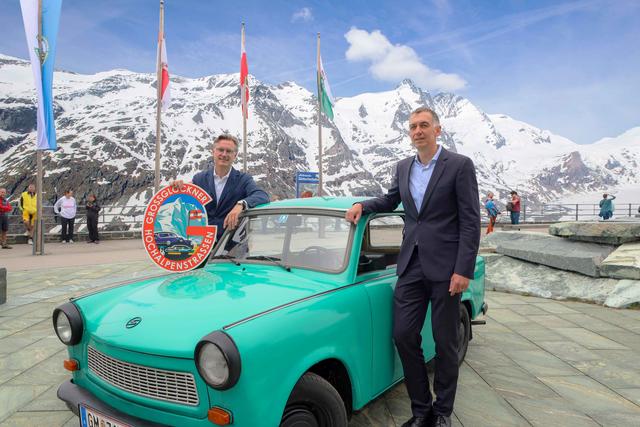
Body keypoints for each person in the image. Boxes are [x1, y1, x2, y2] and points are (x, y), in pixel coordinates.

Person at [345, 107, 481, 427]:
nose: (417, 131)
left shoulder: (459, 166)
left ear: (438, 130)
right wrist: (363, 206)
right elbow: (390, 201)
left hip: (447, 269)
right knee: (404, 335)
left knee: (445, 342)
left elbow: (471, 222)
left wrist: (464, 269)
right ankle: (421, 410)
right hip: (410, 265)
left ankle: (442, 412)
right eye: (412, 127)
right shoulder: (404, 166)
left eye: (423, 125)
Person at [173, 134, 269, 241]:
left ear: (235, 155)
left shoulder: (243, 179)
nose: (224, 154)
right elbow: (183, 204)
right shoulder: (199, 179)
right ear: (213, 152)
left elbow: (261, 195)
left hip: (232, 247)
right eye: (220, 150)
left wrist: (241, 204)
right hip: (202, 247)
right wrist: (178, 187)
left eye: (229, 151)